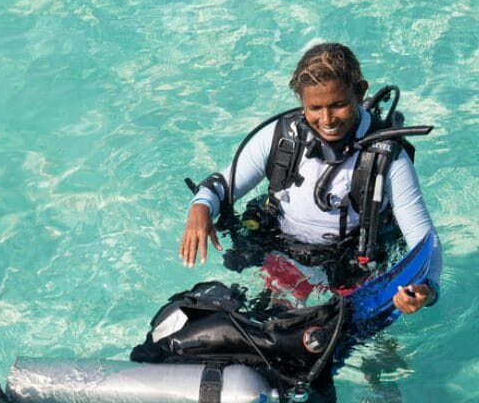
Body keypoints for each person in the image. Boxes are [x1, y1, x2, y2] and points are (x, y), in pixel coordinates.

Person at [180, 43, 442, 314]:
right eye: (314, 107)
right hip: (287, 248)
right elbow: (220, 186)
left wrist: (427, 289)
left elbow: (425, 240)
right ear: (301, 100)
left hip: (353, 260)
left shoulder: (389, 160)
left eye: (338, 104)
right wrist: (200, 207)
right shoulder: (281, 138)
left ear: (360, 91)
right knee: (266, 316)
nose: (327, 119)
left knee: (363, 337)